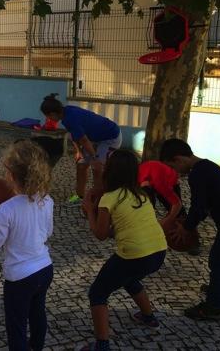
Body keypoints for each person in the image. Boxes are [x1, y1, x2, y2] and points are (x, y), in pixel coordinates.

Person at [81, 150, 167, 351]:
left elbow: (101, 234)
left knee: (98, 293)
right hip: (158, 252)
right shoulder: (141, 195)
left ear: (109, 173)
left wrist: (89, 211)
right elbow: (120, 228)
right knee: (128, 278)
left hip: (134, 255)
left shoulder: (109, 198)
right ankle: (149, 317)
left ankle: (102, 345)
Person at [0, 140, 54, 351]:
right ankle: (36, 346)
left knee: (16, 325)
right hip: (45, 269)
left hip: (19, 277)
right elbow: (47, 232)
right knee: (38, 313)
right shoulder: (47, 200)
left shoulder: (5, 210)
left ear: (10, 175)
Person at [160, 139, 220, 320]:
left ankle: (214, 307)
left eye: (173, 166)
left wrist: (186, 228)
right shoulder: (206, 166)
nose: (176, 171)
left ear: (179, 159)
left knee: (219, 260)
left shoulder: (198, 174)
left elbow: (198, 207)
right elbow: (205, 204)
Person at [40, 94, 121, 203]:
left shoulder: (70, 117)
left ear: (53, 113)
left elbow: (84, 140)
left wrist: (95, 158)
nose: (48, 119)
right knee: (81, 165)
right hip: (94, 138)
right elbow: (75, 135)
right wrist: (78, 151)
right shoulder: (65, 113)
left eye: (48, 116)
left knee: (97, 168)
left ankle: (99, 199)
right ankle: (80, 196)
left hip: (110, 137)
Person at [138, 160, 184, 230]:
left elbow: (177, 204)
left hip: (169, 179)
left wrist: (165, 222)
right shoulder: (137, 178)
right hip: (154, 174)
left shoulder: (159, 183)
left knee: (179, 215)